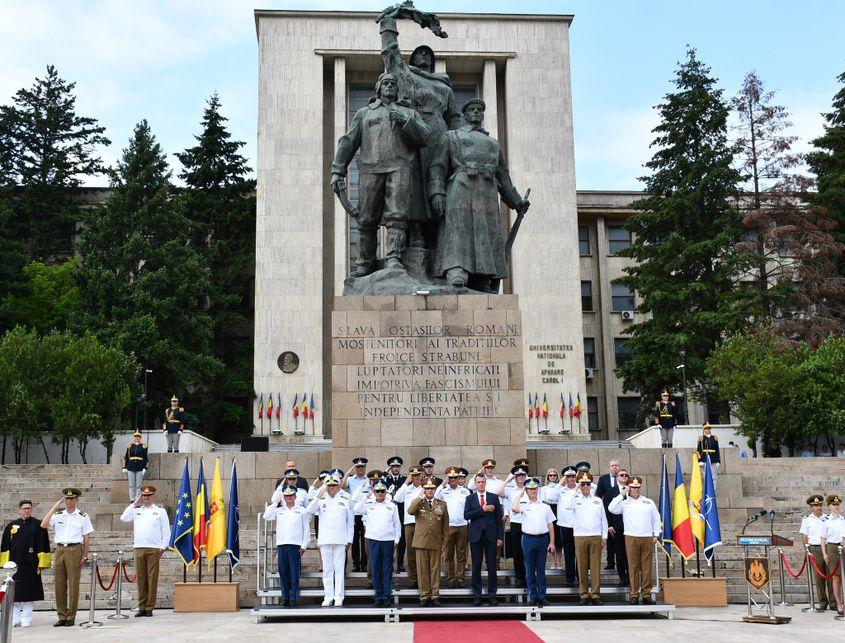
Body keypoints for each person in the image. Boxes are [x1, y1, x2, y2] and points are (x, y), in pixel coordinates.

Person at [331, 73, 430, 276]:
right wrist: (337, 170)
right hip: (371, 169)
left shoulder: (408, 112)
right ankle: (364, 263)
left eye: (393, 83)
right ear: (378, 88)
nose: (390, 85)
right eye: (386, 83)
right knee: (366, 218)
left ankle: (393, 257)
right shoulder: (365, 113)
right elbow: (348, 141)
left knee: (397, 216)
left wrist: (405, 120)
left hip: (400, 168)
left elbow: (424, 136)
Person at [378, 10, 461, 249]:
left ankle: (439, 239)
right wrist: (389, 22)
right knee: (412, 184)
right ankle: (416, 234)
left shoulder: (444, 86)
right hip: (413, 132)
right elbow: (391, 53)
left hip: (439, 137)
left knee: (440, 183)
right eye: (419, 52)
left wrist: (459, 145)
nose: (424, 55)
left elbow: (454, 118)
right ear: (413, 59)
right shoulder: (406, 76)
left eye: (428, 53)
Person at [428, 98, 530, 292]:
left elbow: (503, 176)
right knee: (459, 228)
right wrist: (437, 193)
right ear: (465, 114)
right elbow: (437, 167)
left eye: (479, 109)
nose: (476, 112)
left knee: (487, 232)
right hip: (461, 186)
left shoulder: (493, 143)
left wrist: (517, 201)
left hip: (487, 191)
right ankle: (456, 269)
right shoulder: (451, 136)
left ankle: (482, 276)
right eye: (472, 109)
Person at [41, 487, 94, 626]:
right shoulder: (58, 514)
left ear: (77, 500)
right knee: (59, 584)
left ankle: (71, 616)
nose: (69, 501)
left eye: (71, 498)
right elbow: (44, 524)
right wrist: (54, 507)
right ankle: (62, 615)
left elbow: (86, 537)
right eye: (67, 498)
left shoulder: (83, 516)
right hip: (60, 549)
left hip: (74, 549)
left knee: (73, 584)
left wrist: (85, 555)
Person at [119, 485, 171, 616]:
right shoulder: (136, 511)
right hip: (139, 547)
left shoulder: (160, 511)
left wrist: (163, 547)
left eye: (148, 495)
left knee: (152, 578)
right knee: (141, 578)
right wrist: (134, 504)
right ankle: (141, 606)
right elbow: (123, 518)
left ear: (153, 496)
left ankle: (149, 607)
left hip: (154, 548)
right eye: (144, 496)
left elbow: (166, 531)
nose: (146, 498)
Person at [608, 475, 660, 605]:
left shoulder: (648, 502)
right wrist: (621, 494)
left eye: (638, 487)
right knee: (633, 567)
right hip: (631, 536)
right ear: (629, 488)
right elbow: (611, 508)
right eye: (633, 487)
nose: (636, 489)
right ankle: (634, 594)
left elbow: (656, 518)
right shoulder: (624, 503)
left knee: (646, 567)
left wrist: (656, 534)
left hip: (646, 536)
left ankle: (646, 595)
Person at [0, 500, 51, 628]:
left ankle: (26, 619)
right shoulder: (11, 526)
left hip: (31, 564)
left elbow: (44, 544)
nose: (26, 510)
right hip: (15, 564)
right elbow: (5, 545)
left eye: (29, 508)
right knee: (15, 592)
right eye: (24, 508)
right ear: (19, 510)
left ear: (31, 509)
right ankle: (15, 619)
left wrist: (42, 562)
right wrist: (5, 564)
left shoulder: (38, 525)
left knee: (30, 592)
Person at [307, 473, 354, 606]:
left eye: (334, 485)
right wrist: (318, 495)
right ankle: (328, 596)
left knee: (339, 570)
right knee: (327, 570)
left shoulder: (346, 497)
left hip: (340, 538)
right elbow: (309, 510)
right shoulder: (320, 498)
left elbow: (350, 521)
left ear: (339, 485)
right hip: (325, 539)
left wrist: (349, 539)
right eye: (329, 485)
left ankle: (339, 597)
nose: (331, 487)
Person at [354, 480, 401, 606]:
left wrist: (396, 540)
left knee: (387, 569)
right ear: (374, 492)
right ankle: (378, 595)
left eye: (382, 491)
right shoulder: (368, 504)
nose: (380, 493)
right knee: (375, 568)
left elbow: (397, 525)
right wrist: (367, 496)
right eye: (377, 491)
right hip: (373, 540)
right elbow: (356, 508)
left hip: (388, 540)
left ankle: (386, 595)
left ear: (386, 492)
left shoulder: (392, 506)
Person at [564, 471, 607, 605]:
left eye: (587, 484)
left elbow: (603, 520)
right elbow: (567, 505)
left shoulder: (597, 500)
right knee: (581, 567)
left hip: (595, 535)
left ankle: (595, 595)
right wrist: (576, 489)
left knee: (595, 567)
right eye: (583, 484)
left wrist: (604, 536)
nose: (585, 486)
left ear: (591, 485)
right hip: (580, 536)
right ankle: (584, 594)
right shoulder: (575, 499)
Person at [511, 477, 555, 606]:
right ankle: (533, 596)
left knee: (541, 569)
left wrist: (552, 542)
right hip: (528, 539)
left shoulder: (545, 506)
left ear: (538, 490)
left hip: (542, 539)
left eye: (535, 489)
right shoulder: (524, 505)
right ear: (526, 491)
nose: (533, 491)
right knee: (529, 569)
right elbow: (514, 508)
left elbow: (550, 525)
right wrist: (520, 495)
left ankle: (542, 595)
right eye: (530, 489)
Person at [407, 477, 450, 606]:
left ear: (435, 489)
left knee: (435, 570)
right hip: (421, 542)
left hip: (436, 542)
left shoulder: (442, 504)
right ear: (424, 490)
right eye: (427, 489)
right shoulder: (418, 503)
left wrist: (444, 543)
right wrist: (420, 497)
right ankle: (424, 595)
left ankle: (435, 595)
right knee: (422, 570)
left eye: (432, 488)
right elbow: (410, 511)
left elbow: (445, 526)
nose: (430, 491)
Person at [264, 487, 309, 607]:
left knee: (294, 573)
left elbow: (306, 530)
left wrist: (304, 545)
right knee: (283, 573)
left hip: (295, 545)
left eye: (291, 496)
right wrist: (276, 502)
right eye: (286, 496)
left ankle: (293, 597)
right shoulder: (279, 510)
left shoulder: (302, 511)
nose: (289, 498)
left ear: (295, 497)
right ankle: (285, 598)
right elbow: (266, 516)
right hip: (282, 545)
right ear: (283, 497)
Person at [464, 473, 504, 606]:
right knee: (476, 566)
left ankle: (492, 595)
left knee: (492, 566)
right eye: (478, 482)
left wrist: (500, 537)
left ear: (485, 483)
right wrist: (483, 509)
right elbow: (466, 515)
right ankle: (477, 595)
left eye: (482, 482)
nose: (481, 484)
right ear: (475, 484)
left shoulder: (493, 497)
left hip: (491, 536)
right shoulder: (470, 498)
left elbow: (498, 519)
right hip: (476, 536)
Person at [544, 466, 579, 586]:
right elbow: (549, 498)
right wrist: (560, 483)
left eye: (573, 476)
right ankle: (570, 579)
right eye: (568, 477)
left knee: (580, 554)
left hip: (579, 526)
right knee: (568, 554)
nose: (571, 479)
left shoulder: (581, 488)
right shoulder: (560, 490)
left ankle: (580, 578)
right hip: (564, 525)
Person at [435, 466, 470, 587]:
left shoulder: (465, 491)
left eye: (455, 477)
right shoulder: (443, 491)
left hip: (462, 525)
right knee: (449, 554)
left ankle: (460, 578)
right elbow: (434, 497)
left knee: (461, 553)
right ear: (448, 478)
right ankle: (450, 578)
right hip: (448, 526)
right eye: (451, 478)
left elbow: (469, 507)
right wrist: (443, 484)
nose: (453, 480)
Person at [393, 465, 424, 587]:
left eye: (418, 475)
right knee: (411, 552)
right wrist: (406, 482)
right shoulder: (407, 488)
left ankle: (422, 578)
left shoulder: (426, 488)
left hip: (422, 523)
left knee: (422, 551)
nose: (416, 478)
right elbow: (397, 498)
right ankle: (414, 578)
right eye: (414, 475)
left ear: (421, 476)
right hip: (409, 523)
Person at [800, 493, 832, 610]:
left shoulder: (828, 518)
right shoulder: (807, 519)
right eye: (816, 505)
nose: (818, 507)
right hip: (815, 549)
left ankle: (834, 603)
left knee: (831, 576)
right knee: (819, 577)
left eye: (820, 505)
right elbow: (804, 535)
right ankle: (823, 602)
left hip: (828, 548)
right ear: (811, 507)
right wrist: (807, 550)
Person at [500, 465, 529, 587]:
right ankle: (519, 577)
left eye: (523, 475)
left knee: (528, 552)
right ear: (515, 477)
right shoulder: (510, 489)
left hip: (529, 523)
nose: (520, 477)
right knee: (517, 552)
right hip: (516, 523)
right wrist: (508, 479)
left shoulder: (531, 488)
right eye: (518, 475)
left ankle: (529, 577)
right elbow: (498, 492)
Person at [595, 459, 621, 572]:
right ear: (609, 467)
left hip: (620, 513)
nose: (614, 467)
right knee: (609, 539)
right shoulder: (603, 479)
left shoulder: (624, 478)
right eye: (612, 465)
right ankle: (610, 562)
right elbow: (598, 495)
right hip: (607, 513)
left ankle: (621, 563)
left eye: (616, 465)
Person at [344, 457, 370, 572]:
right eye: (358, 467)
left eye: (362, 467)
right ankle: (356, 564)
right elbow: (341, 487)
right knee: (354, 540)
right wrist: (347, 473)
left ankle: (364, 564)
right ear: (355, 468)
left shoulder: (369, 479)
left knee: (364, 540)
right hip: (353, 513)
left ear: (365, 467)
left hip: (364, 513)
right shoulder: (350, 479)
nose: (360, 469)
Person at [822, 494, 845, 616]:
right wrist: (824, 553)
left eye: (837, 504)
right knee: (836, 577)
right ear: (829, 506)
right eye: (833, 504)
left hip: (844, 547)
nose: (836, 507)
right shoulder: (826, 521)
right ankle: (839, 605)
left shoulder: (843, 520)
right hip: (832, 548)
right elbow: (823, 539)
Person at [383, 456, 407, 572]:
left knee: (401, 538)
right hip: (388, 512)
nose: (396, 468)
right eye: (393, 467)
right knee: (389, 537)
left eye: (397, 466)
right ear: (390, 468)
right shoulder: (386, 480)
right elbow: (377, 482)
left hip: (401, 511)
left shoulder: (405, 480)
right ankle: (390, 563)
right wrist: (385, 473)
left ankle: (400, 563)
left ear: (400, 467)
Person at [542, 469, 563, 570]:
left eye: (554, 475)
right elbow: (544, 500)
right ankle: (552, 561)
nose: (552, 477)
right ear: (547, 477)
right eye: (550, 475)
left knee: (559, 538)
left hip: (558, 510)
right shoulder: (544, 489)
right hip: (548, 509)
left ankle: (558, 561)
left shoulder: (561, 487)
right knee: (550, 536)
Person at [122, 430, 148, 501]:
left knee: (139, 485)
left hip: (140, 467)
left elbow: (145, 458)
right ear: (134, 437)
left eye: (138, 436)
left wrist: (145, 468)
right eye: (136, 436)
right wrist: (124, 467)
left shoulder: (143, 446)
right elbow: (126, 457)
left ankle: (137, 500)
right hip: (131, 466)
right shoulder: (130, 445)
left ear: (140, 437)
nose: (137, 437)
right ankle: (132, 499)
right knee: (131, 485)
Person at [696, 423, 721, 489]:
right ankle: (707, 492)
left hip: (713, 459)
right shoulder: (701, 438)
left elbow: (717, 450)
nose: (708, 430)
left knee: (714, 476)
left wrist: (718, 460)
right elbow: (698, 451)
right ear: (704, 430)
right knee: (705, 476)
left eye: (709, 428)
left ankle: (713, 492)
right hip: (704, 458)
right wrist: (699, 460)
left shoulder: (714, 438)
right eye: (706, 429)